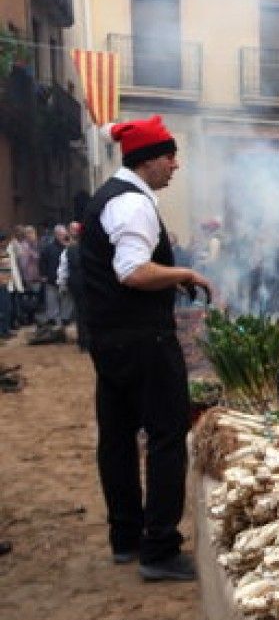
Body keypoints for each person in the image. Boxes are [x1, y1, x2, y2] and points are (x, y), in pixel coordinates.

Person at [80, 114, 213, 581]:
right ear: (150, 160)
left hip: (109, 338)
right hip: (143, 339)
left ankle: (125, 537)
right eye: (170, 158)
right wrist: (184, 274)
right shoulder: (133, 203)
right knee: (165, 435)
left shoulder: (108, 198)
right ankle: (159, 548)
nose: (175, 166)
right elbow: (133, 271)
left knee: (116, 437)